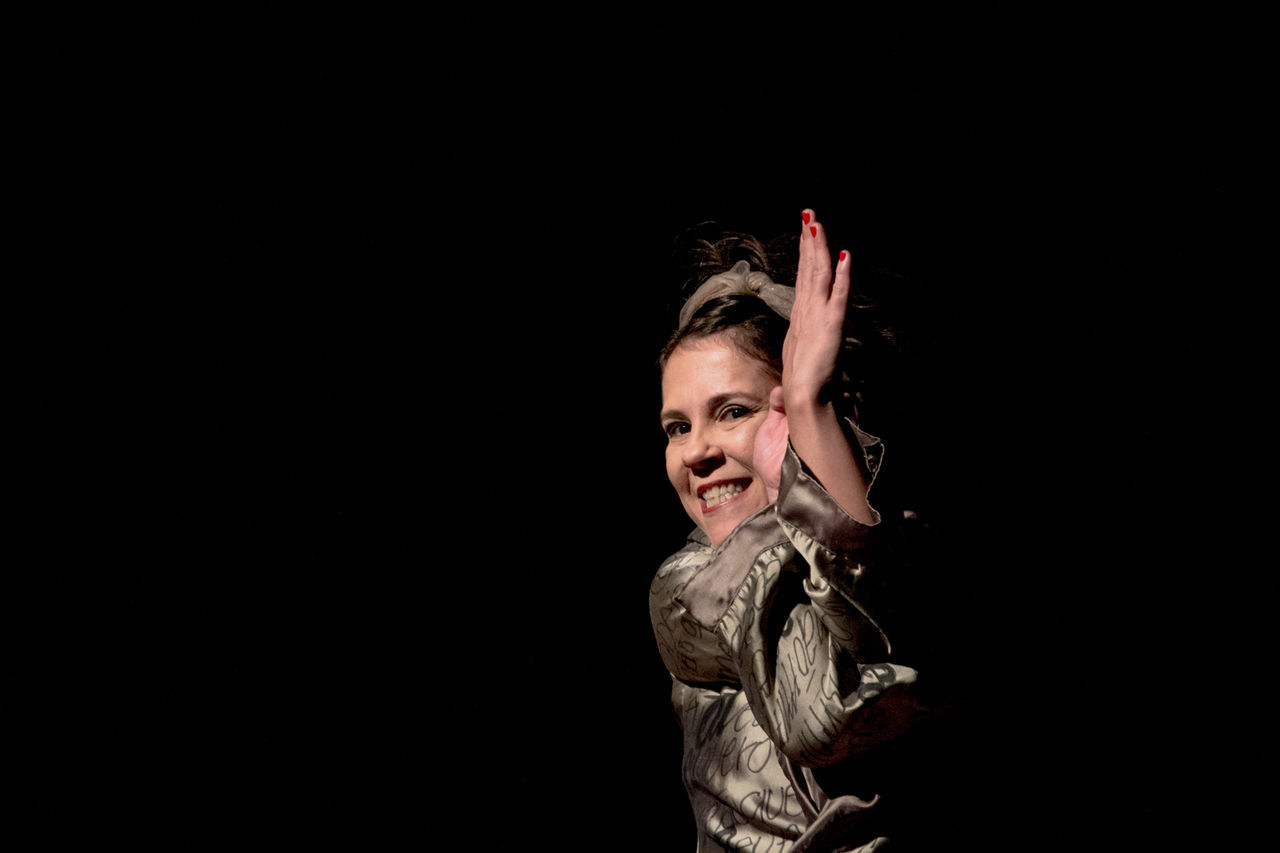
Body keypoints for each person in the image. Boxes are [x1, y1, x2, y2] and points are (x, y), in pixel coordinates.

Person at [650, 209, 925, 852]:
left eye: (733, 412)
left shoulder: (922, 552)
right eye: (677, 427)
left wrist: (809, 410)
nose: (697, 452)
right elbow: (823, 715)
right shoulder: (687, 589)